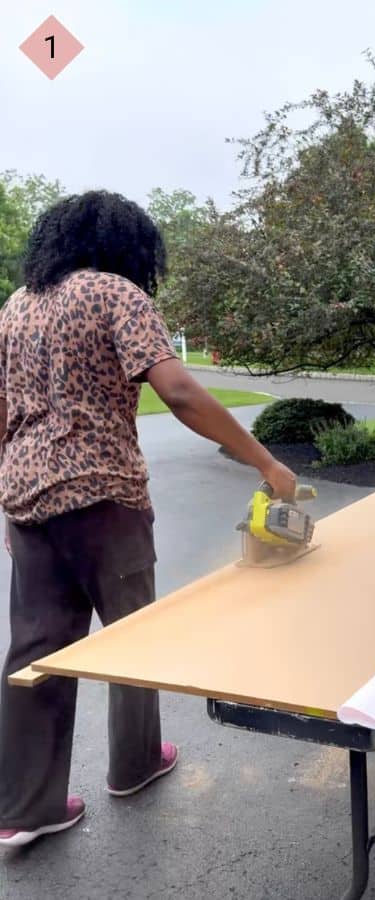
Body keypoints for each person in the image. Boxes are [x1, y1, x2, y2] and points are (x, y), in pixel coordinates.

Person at [0, 190, 297, 848]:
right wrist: (267, 465)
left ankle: (25, 807)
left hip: (27, 503)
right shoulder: (116, 293)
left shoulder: (15, 306)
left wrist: (9, 495)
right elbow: (180, 391)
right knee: (137, 636)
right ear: (125, 244)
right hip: (104, 497)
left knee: (34, 652)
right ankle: (134, 765)